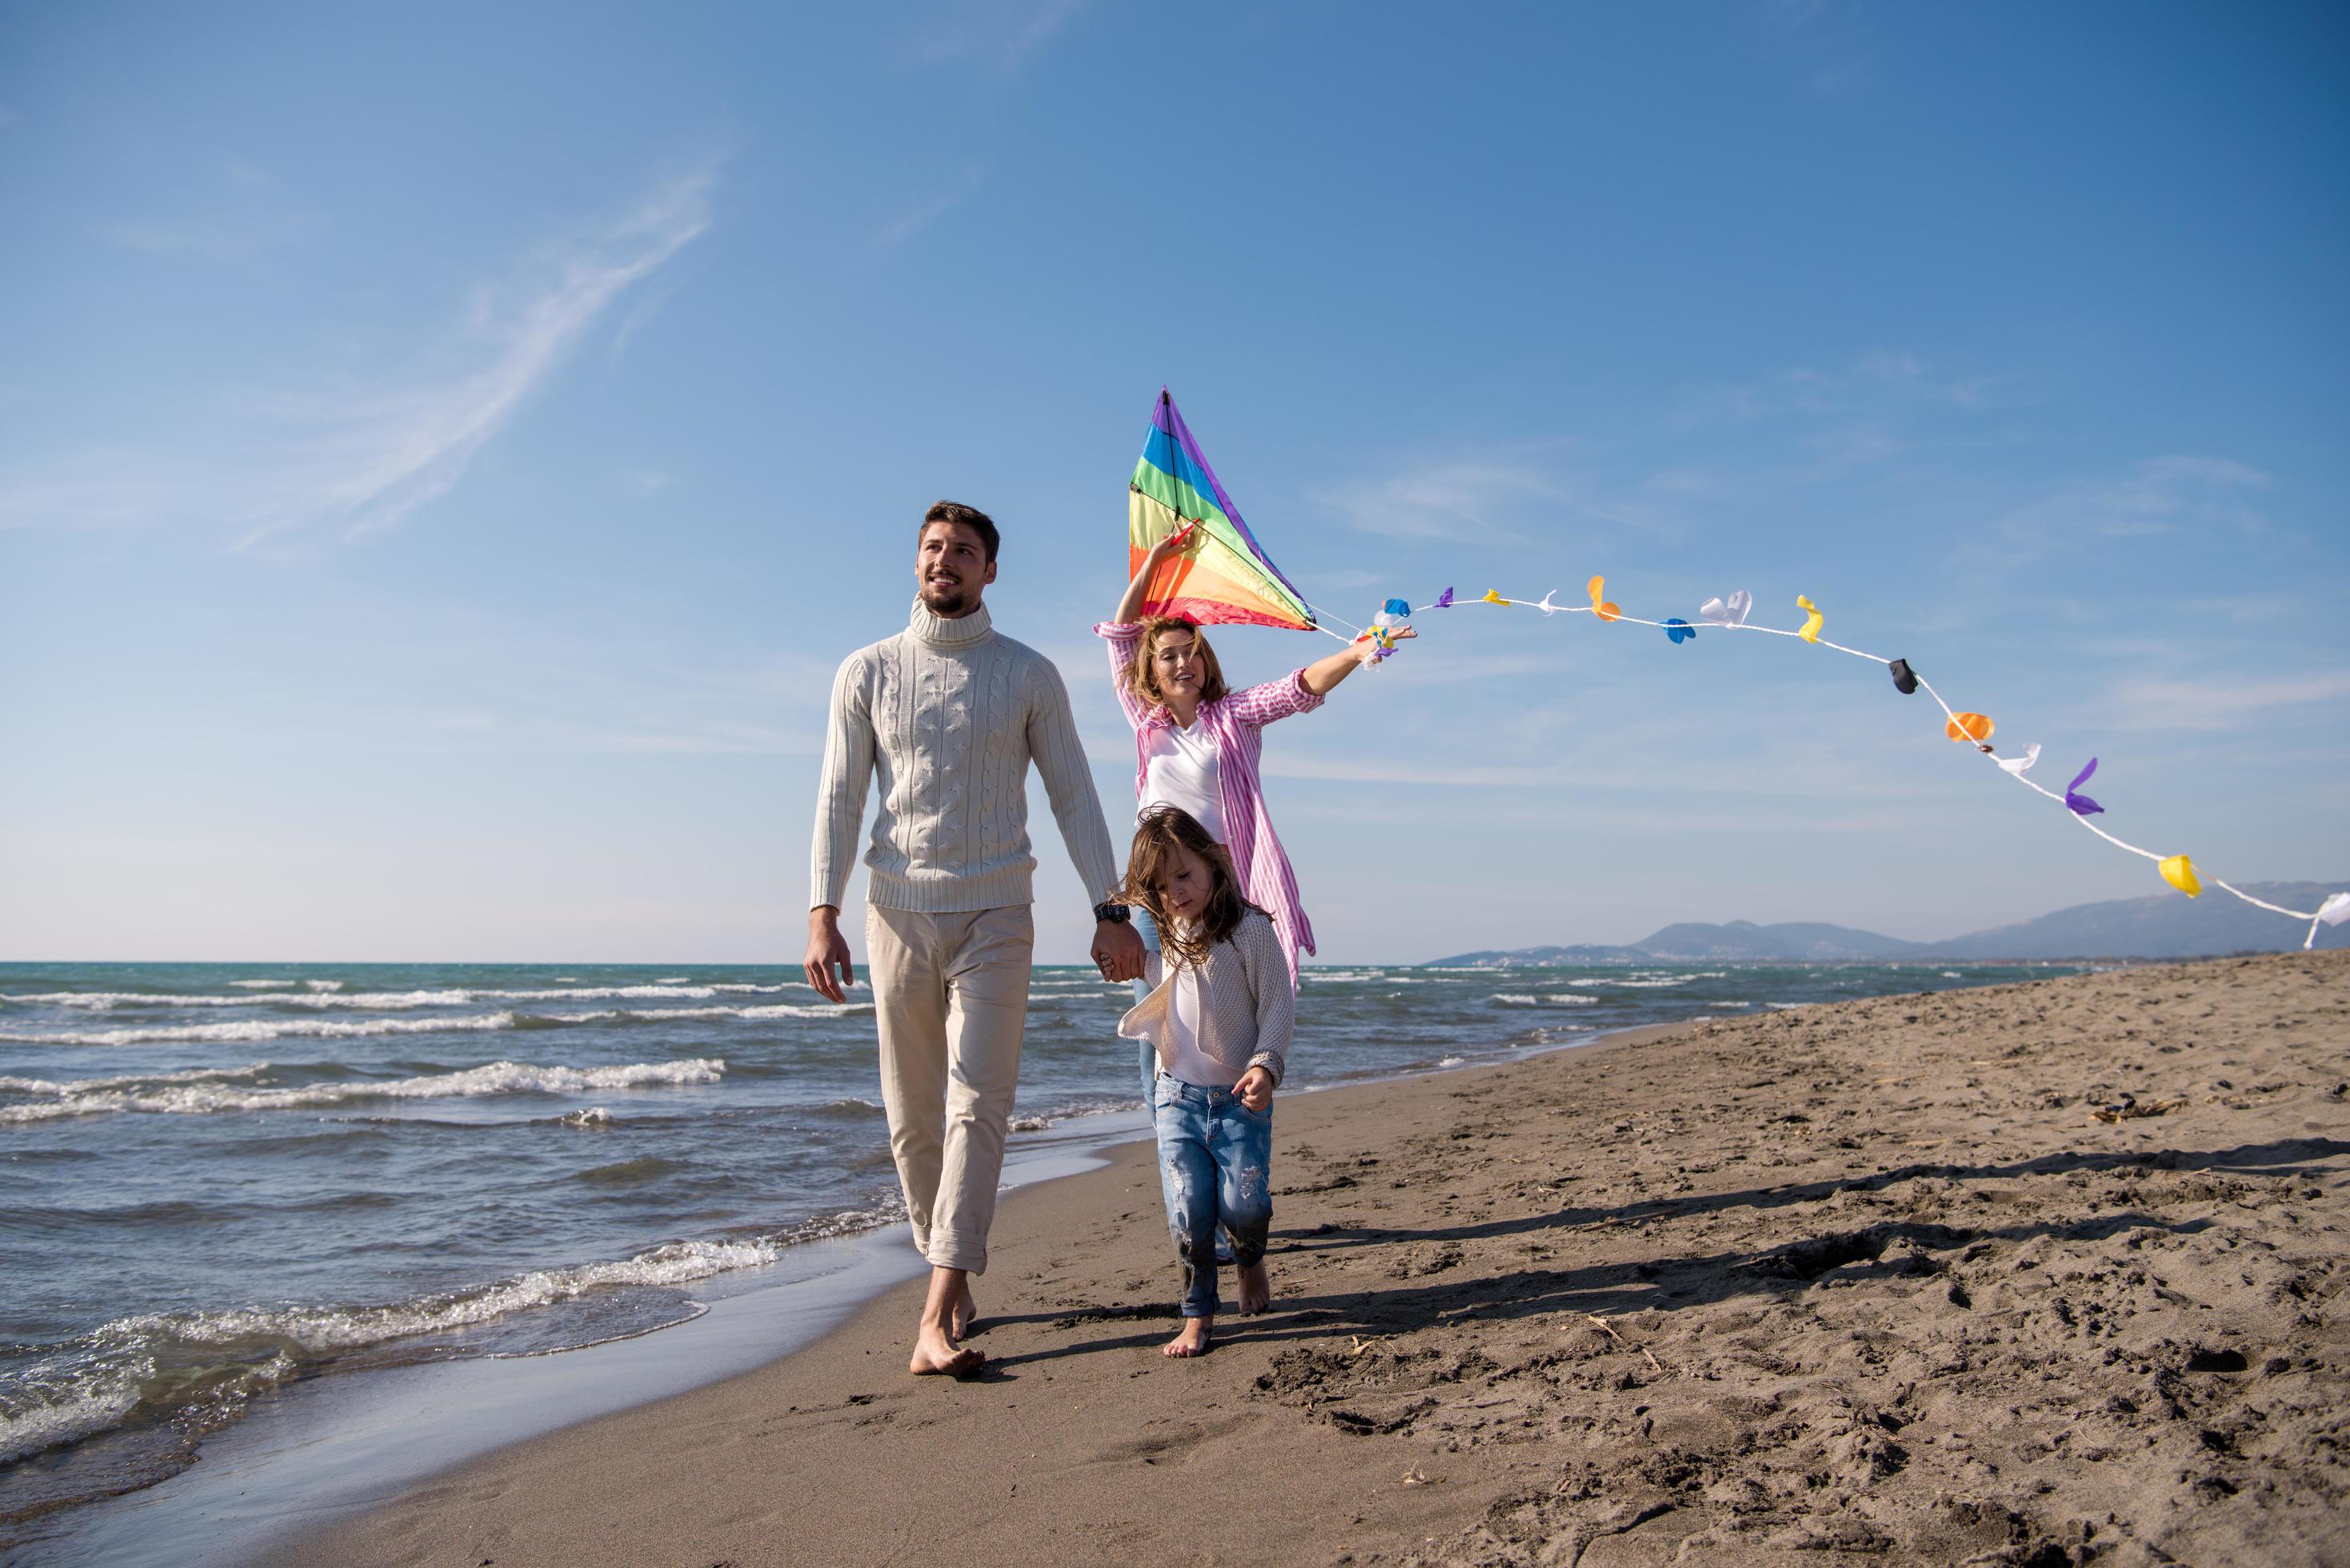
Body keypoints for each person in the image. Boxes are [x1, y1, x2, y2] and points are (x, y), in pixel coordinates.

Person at [807, 500, 1145, 1378]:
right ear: (914, 563)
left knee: (977, 1105)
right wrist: (822, 908)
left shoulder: (1028, 675)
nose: (943, 559)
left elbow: (1073, 793)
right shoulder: (866, 670)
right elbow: (840, 798)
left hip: (999, 912)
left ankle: (931, 1313)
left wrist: (1112, 910)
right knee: (913, 1122)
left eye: (961, 549)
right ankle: (951, 1271)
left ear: (990, 570)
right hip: (893, 914)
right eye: (931, 547)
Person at [1096, 525, 1414, 1108]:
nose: (1182, 662)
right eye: (1168, 655)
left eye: (1192, 651)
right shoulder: (1146, 723)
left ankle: (1238, 1120)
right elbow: (1119, 636)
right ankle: (1171, 1130)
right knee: (1160, 1028)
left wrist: (1353, 650)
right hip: (1156, 897)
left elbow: (1297, 688)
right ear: (1153, 671)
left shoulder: (1233, 715)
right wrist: (1157, 562)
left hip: (1221, 889)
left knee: (1229, 1018)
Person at [1115, 805, 1293, 1358]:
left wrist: (1265, 1065)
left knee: (1244, 1206)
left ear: (1214, 862)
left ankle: (1249, 1259)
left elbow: (1277, 1005)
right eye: (1162, 887)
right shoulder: (1171, 933)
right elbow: (1168, 979)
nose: (1176, 893)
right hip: (1177, 1098)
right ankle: (1196, 1314)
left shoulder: (1250, 931)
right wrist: (1129, 960)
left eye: (1184, 875)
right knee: (1188, 1211)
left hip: (1240, 1101)